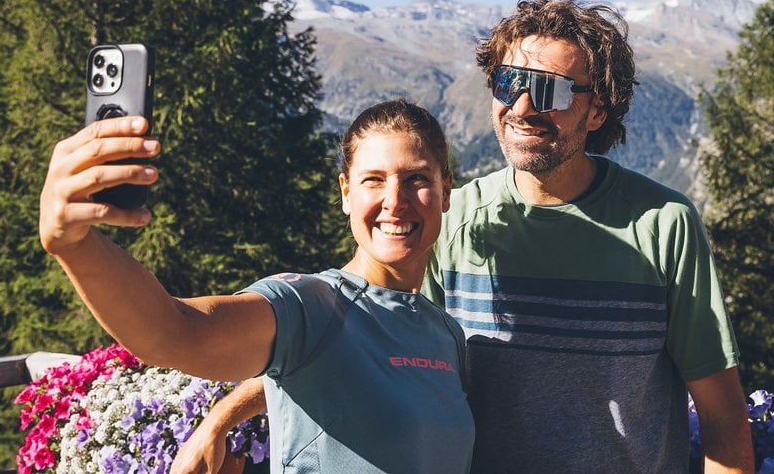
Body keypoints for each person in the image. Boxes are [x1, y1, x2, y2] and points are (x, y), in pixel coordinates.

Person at [176, 0, 753, 474]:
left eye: (549, 91)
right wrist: (223, 415)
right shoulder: (452, 217)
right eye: (508, 84)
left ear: (597, 111)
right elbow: (363, 337)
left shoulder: (663, 226)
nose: (522, 107)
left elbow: (724, 420)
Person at [40, 99, 474, 474]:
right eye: (373, 180)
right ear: (346, 193)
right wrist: (75, 246)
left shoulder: (445, 333)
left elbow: (337, 380)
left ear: (446, 190)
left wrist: (219, 418)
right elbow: (178, 332)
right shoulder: (312, 305)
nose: (394, 200)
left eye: (416, 179)